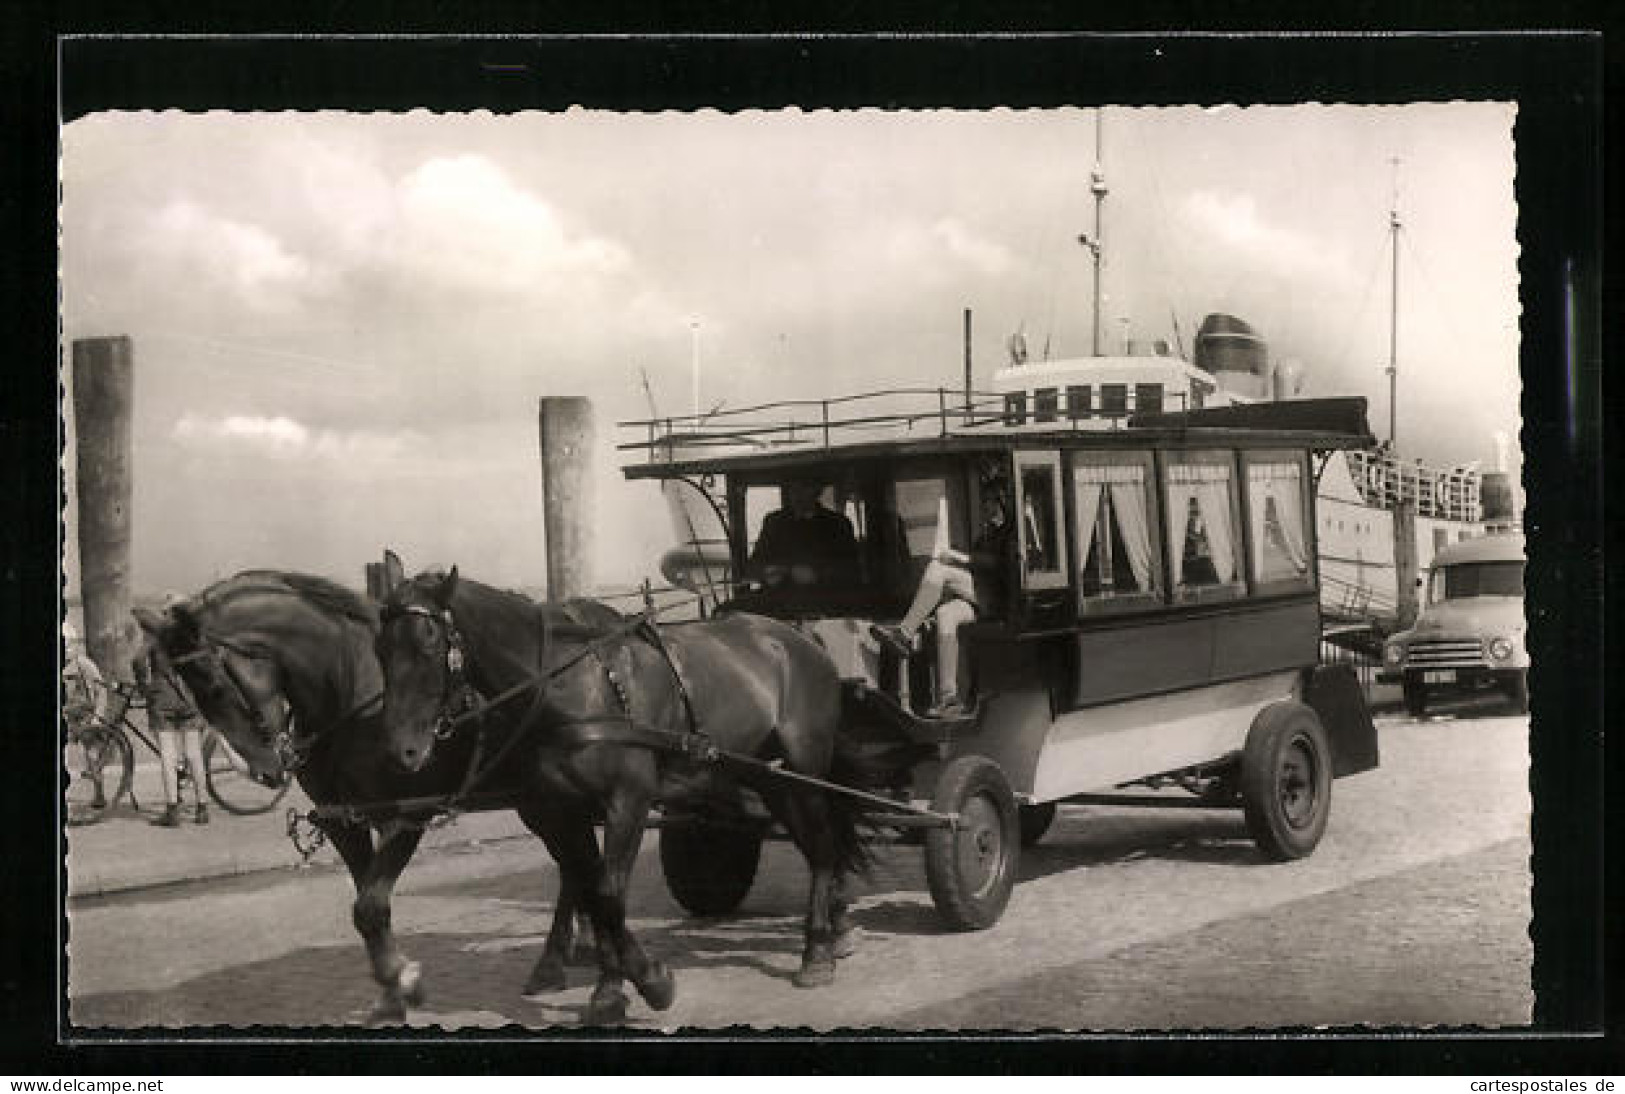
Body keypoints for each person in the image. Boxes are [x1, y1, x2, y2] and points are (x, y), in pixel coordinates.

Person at [872, 479, 1014, 718]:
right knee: (945, 614)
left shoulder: (1010, 532)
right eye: (985, 501)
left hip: (1001, 598)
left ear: (1002, 502)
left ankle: (905, 632)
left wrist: (960, 558)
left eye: (990, 500)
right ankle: (949, 697)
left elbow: (1000, 564)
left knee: (938, 569)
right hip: (980, 597)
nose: (986, 506)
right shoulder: (988, 534)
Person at [133, 600, 211, 826]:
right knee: (194, 754)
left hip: (163, 699)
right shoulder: (194, 636)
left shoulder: (157, 636)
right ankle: (202, 808)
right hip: (189, 700)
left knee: (168, 755)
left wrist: (143, 685)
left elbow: (138, 660)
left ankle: (172, 810)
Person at [747, 479, 860, 589]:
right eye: (793, 488)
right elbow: (755, 566)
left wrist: (818, 574)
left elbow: (852, 568)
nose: (797, 494)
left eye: (804, 487)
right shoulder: (774, 522)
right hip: (780, 601)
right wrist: (768, 571)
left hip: (829, 600)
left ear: (818, 491)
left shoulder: (838, 523)